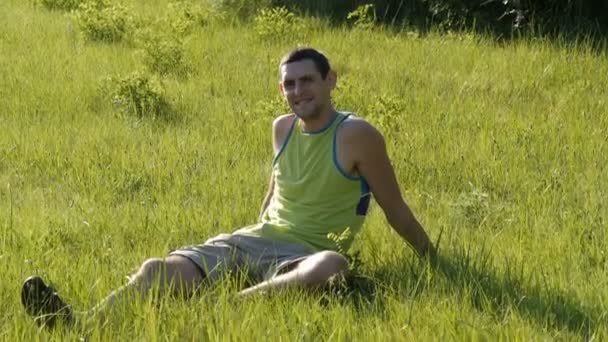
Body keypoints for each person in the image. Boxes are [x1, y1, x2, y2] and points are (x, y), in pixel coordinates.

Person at [21, 47, 436, 329]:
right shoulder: (282, 129)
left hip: (309, 251)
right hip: (255, 241)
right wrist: (248, 241)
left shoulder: (357, 134)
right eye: (289, 84)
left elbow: (394, 207)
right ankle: (80, 323)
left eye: (307, 80)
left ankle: (226, 306)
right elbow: (275, 191)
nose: (298, 91)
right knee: (155, 270)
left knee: (332, 266)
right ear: (281, 90)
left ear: (331, 81)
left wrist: (434, 261)